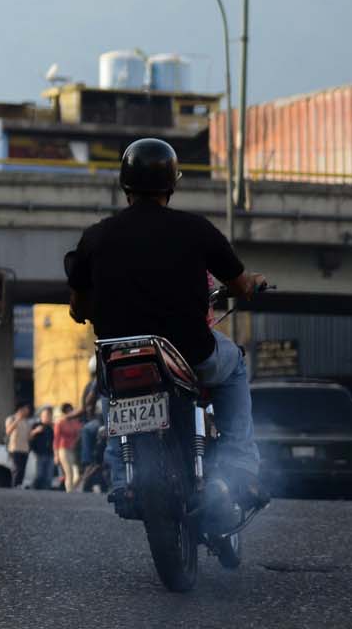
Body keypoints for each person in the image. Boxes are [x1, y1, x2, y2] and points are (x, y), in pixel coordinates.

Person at [66, 137, 270, 511]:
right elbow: (240, 284)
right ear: (172, 184)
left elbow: (78, 306)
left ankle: (119, 472)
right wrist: (253, 282)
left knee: (115, 391)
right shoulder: (196, 230)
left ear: (124, 184)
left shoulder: (94, 238)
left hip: (121, 358)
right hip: (190, 353)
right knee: (235, 366)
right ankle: (241, 467)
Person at [54, 403, 85, 492]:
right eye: (68, 411)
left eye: (71, 410)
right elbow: (56, 439)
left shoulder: (76, 422)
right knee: (69, 472)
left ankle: (71, 490)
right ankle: (69, 492)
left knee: (78, 474)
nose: (70, 412)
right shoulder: (60, 422)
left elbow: (81, 433)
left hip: (74, 450)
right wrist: (56, 454)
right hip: (63, 449)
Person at [5, 404, 34, 489]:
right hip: (14, 448)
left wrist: (34, 432)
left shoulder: (27, 422)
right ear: (20, 409)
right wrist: (17, 420)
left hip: (25, 449)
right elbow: (8, 431)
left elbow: (29, 437)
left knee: (22, 469)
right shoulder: (11, 418)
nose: (27, 411)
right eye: (25, 409)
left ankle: (19, 485)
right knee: (16, 469)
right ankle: (14, 485)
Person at [29, 406, 56, 490]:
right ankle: (33, 490)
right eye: (45, 415)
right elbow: (28, 437)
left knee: (49, 476)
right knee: (39, 475)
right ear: (41, 416)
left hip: (50, 454)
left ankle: (46, 494)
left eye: (49, 415)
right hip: (39, 453)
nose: (47, 417)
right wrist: (35, 431)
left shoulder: (53, 427)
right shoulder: (36, 425)